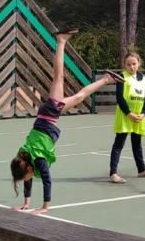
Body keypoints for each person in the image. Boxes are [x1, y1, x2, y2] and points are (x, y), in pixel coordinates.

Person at [10, 29, 122, 214]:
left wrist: (44, 207)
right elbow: (28, 180)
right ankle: (104, 77)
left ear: (27, 169)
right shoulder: (24, 158)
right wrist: (26, 203)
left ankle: (65, 45)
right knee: (61, 81)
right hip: (45, 116)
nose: (27, 179)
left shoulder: (37, 160)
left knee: (77, 93)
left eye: (25, 177)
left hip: (50, 115)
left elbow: (47, 181)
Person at [108, 51, 145, 183]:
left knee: (137, 144)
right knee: (119, 143)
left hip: (139, 116)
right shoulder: (121, 77)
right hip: (125, 115)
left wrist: (143, 113)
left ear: (139, 63)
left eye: (134, 64)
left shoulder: (144, 79)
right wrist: (129, 113)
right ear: (124, 65)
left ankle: (141, 170)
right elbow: (119, 98)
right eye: (128, 64)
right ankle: (113, 173)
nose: (132, 67)